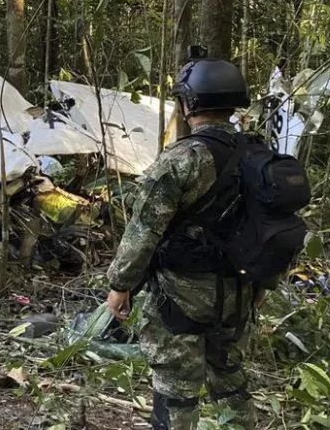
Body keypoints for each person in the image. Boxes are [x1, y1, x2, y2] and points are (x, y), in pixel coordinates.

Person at [105, 56, 276, 430]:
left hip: (179, 298)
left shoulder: (181, 159)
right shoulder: (259, 156)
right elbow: (273, 226)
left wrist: (120, 285)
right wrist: (261, 284)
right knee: (231, 382)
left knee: (176, 392)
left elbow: (143, 231)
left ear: (189, 103)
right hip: (239, 292)